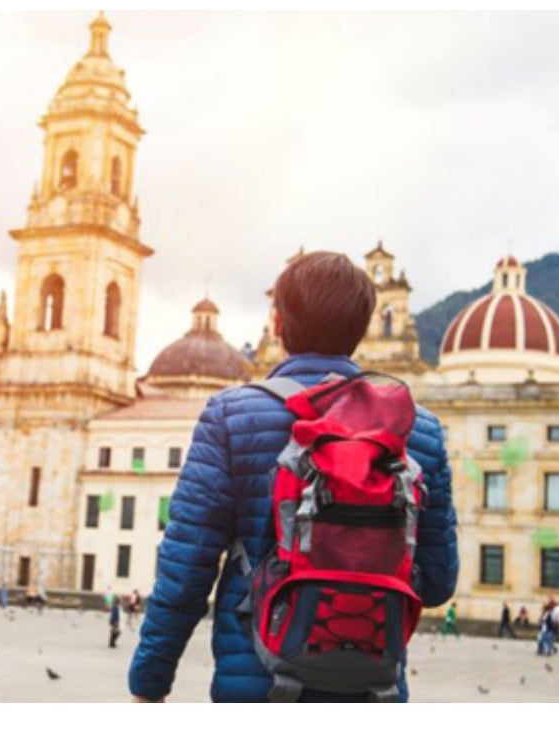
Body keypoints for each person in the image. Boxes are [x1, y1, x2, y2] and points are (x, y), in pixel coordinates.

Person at [127, 252, 459, 704]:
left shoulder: (229, 416)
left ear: (278, 323)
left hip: (258, 684)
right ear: (360, 331)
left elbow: (186, 568)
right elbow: (438, 583)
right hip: (374, 688)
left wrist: (149, 683)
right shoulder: (418, 430)